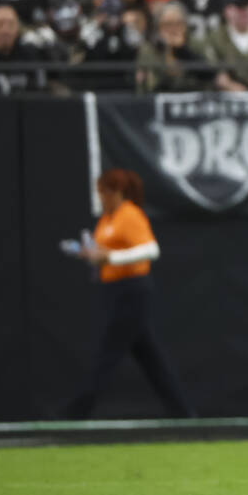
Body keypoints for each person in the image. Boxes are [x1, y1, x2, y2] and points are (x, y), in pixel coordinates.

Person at [61, 169, 195, 419]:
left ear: (116, 192)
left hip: (132, 290)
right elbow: (104, 253)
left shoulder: (130, 215)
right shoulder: (106, 220)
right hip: (113, 291)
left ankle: (74, 414)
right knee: (151, 359)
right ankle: (184, 414)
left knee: (107, 354)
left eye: (102, 192)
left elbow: (151, 250)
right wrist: (92, 255)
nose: (100, 197)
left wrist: (111, 257)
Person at [137, 0, 212, 93]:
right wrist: (168, 51)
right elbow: (148, 86)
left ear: (186, 26)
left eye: (178, 24)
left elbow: (209, 76)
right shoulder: (149, 49)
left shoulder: (197, 44)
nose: (173, 30)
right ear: (158, 27)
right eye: (167, 24)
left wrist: (182, 50)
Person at [0, 4, 47, 95]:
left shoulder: (31, 54)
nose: (5, 30)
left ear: (18, 28)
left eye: (11, 24)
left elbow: (41, 89)